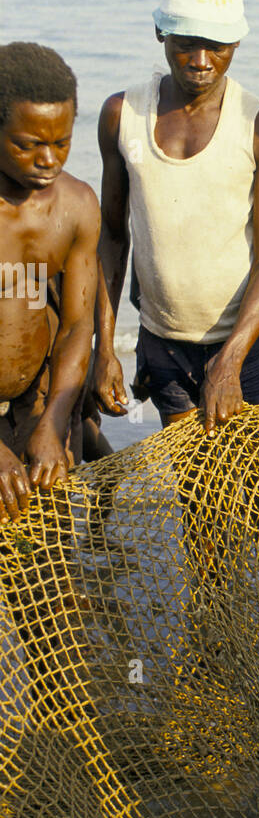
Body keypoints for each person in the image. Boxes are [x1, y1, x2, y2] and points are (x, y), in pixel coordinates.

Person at [94, 0, 259, 433]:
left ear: (237, 42)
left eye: (217, 46)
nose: (201, 60)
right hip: (164, 344)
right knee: (198, 495)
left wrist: (230, 361)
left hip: (250, 344)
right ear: (161, 32)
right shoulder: (122, 115)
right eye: (187, 43)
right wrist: (102, 350)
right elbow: (111, 238)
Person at [0, 42, 99, 523]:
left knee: (47, 547)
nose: (48, 159)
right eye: (28, 143)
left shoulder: (76, 205)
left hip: (34, 401)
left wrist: (53, 421)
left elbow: (77, 325)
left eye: (61, 142)